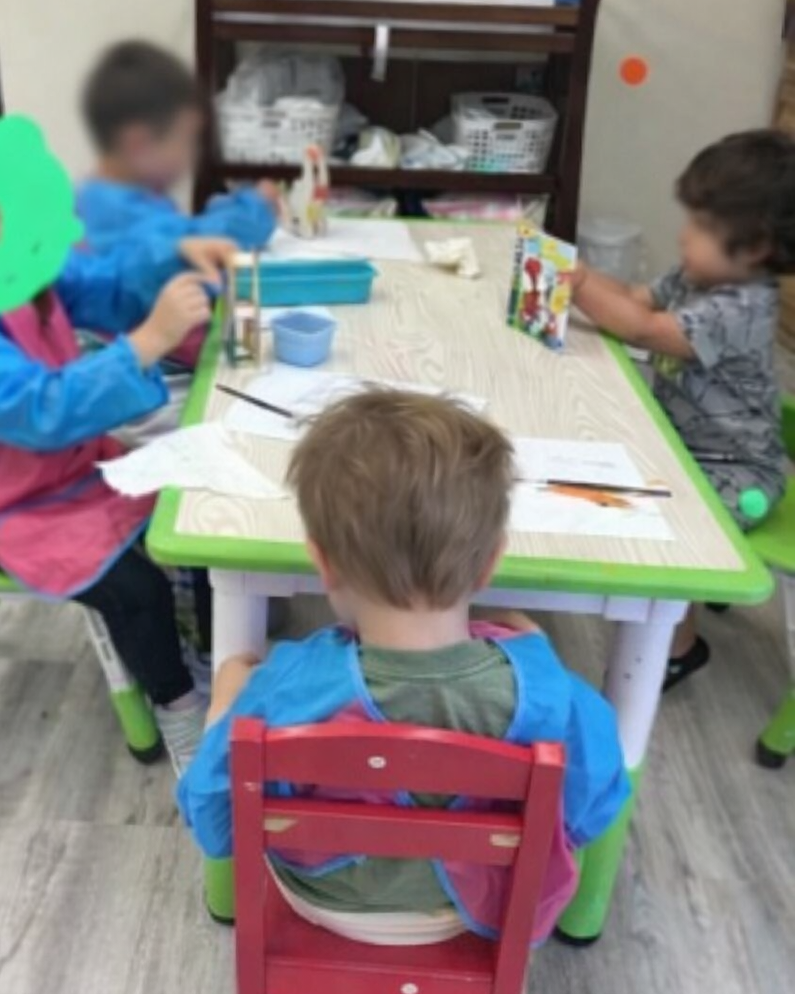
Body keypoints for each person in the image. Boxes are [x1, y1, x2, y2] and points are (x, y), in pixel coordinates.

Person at [177, 391, 629, 946]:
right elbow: (592, 810)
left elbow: (214, 824)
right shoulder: (548, 693)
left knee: (234, 682)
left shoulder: (290, 688)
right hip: (470, 906)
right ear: (490, 563)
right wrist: (534, 659)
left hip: (323, 897)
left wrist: (228, 694)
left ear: (323, 563)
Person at [0, 109, 227, 775]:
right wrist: (148, 340)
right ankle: (182, 712)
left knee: (206, 509)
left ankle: (217, 661)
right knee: (137, 591)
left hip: (61, 466)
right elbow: (40, 409)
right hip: (1, 505)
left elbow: (94, 285)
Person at [572, 129, 795, 689]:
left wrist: (577, 284)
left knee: (667, 531)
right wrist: (579, 275)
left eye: (701, 226)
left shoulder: (742, 307)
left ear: (755, 248)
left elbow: (645, 329)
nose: (683, 234)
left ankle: (679, 647)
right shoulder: (698, 276)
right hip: (688, 445)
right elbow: (636, 300)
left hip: (736, 472)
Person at [75, 39, 278, 267]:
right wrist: (257, 206)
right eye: (187, 139)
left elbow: (184, 228)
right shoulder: (115, 214)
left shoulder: (102, 199)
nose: (193, 154)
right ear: (138, 144)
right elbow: (199, 240)